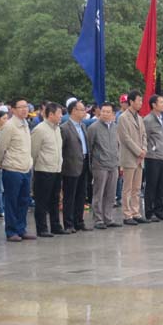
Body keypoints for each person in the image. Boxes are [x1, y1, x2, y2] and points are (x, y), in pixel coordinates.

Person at [0, 97, 35, 242]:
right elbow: (1, 147)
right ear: (12, 109)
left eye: (26, 106)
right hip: (12, 168)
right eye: (21, 107)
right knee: (12, 201)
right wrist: (0, 163)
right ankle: (11, 231)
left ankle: (21, 229)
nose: (24, 109)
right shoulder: (9, 126)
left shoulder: (26, 124)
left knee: (24, 201)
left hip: (25, 168)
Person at [31, 102, 65, 237]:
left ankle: (55, 225)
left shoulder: (57, 129)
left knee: (55, 199)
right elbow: (33, 151)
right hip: (43, 170)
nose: (61, 116)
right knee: (42, 201)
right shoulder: (39, 129)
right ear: (51, 114)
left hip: (56, 169)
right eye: (59, 113)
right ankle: (42, 228)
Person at [87, 102, 123, 229]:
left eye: (108, 112)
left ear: (113, 114)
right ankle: (98, 219)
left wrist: (119, 163)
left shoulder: (115, 127)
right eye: (103, 111)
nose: (105, 114)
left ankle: (108, 218)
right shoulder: (93, 128)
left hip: (113, 165)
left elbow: (118, 145)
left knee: (111, 194)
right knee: (99, 193)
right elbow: (90, 148)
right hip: (100, 165)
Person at [117, 91, 149, 225]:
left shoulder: (140, 118)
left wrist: (144, 149)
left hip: (140, 158)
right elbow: (125, 138)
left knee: (137, 187)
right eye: (138, 100)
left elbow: (144, 135)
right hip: (130, 157)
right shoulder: (123, 118)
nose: (141, 103)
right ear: (131, 101)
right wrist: (138, 151)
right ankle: (127, 214)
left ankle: (136, 212)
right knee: (128, 188)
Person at [61, 99, 93, 232]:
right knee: (70, 196)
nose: (85, 112)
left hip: (84, 162)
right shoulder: (65, 128)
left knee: (81, 195)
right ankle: (68, 224)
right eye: (82, 109)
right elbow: (62, 149)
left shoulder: (83, 126)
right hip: (71, 165)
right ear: (73, 111)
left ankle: (79, 221)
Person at [143, 94, 163, 221]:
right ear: (154, 105)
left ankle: (159, 210)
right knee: (152, 185)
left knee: (161, 185)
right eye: (161, 102)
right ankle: (149, 212)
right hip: (152, 157)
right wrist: (151, 149)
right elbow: (145, 138)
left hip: (162, 156)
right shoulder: (148, 120)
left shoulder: (161, 118)